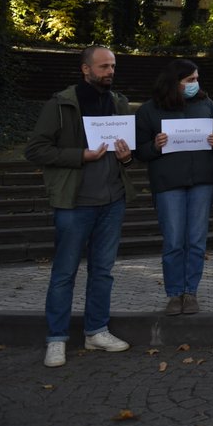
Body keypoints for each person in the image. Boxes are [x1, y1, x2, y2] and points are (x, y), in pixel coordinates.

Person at [26, 46, 136, 367]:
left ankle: (96, 331)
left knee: (103, 271)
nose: (110, 72)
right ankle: (57, 339)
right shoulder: (61, 104)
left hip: (112, 201)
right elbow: (36, 149)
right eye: (103, 66)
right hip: (74, 203)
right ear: (85, 69)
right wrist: (80, 156)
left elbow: (126, 151)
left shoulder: (119, 102)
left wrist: (128, 156)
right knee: (64, 273)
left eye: (112, 66)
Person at [134, 59, 213, 316]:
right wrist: (154, 145)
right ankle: (174, 294)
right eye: (190, 80)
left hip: (202, 181)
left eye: (197, 79)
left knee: (196, 240)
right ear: (174, 82)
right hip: (168, 184)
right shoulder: (149, 110)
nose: (194, 84)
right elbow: (139, 150)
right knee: (174, 241)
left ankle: (191, 292)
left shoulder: (206, 104)